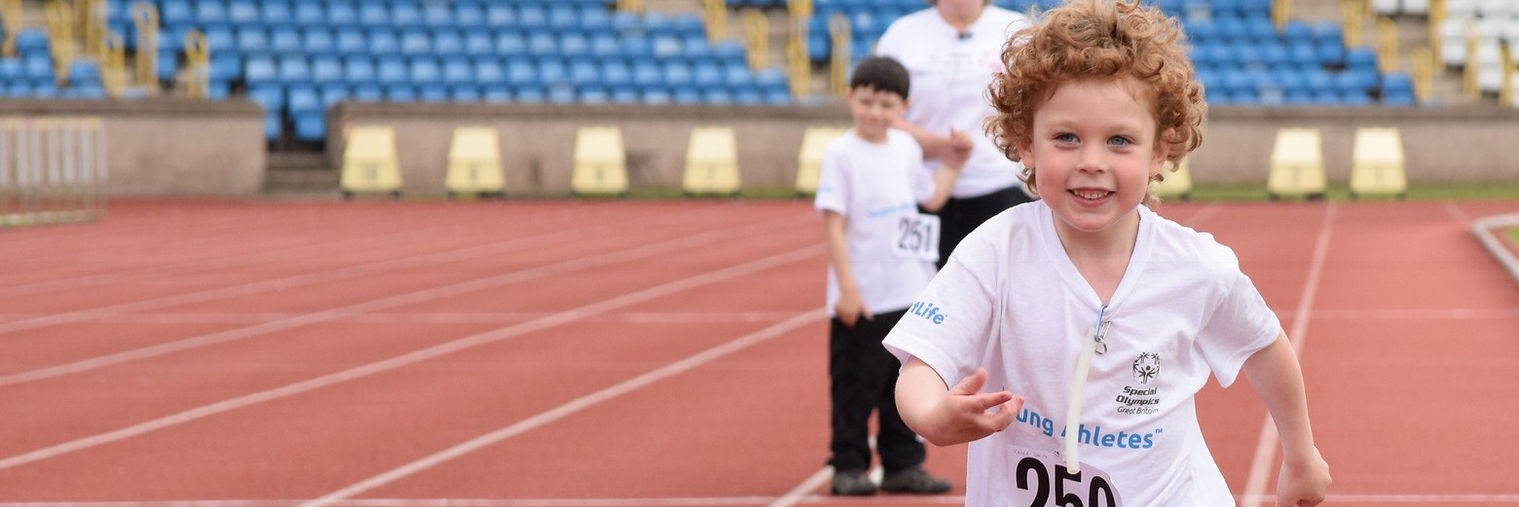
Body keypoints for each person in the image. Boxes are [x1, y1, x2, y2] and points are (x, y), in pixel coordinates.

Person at [882, 1, 1333, 505]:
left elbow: (1265, 347)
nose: (1091, 162)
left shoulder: (1197, 267)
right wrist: (930, 415)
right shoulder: (995, 252)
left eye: (1119, 140)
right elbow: (921, 363)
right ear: (1025, 143)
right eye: (1066, 138)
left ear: (1159, 151)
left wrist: (1301, 456)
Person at [814, 55, 965, 497]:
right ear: (850, 98)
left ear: (904, 107)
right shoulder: (841, 153)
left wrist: (954, 163)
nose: (875, 112)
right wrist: (847, 288)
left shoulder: (905, 148)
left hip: (909, 292)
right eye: (866, 101)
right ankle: (848, 464)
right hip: (864, 296)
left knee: (903, 384)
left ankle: (903, 463)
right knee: (854, 385)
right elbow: (833, 224)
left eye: (886, 105)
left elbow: (931, 199)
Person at [874, 0, 1035, 269]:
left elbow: (1037, 105)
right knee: (925, 290)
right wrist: (937, 146)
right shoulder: (902, 35)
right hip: (923, 187)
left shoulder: (1016, 30)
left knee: (1004, 286)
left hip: (999, 183)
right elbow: (879, 112)